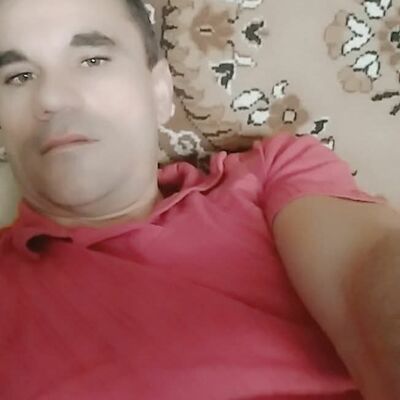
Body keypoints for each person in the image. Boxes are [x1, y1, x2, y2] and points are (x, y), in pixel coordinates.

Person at [0, 0, 399, 398]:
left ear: (160, 92)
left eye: (92, 60)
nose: (52, 98)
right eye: (18, 76)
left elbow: (365, 267)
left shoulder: (273, 175)